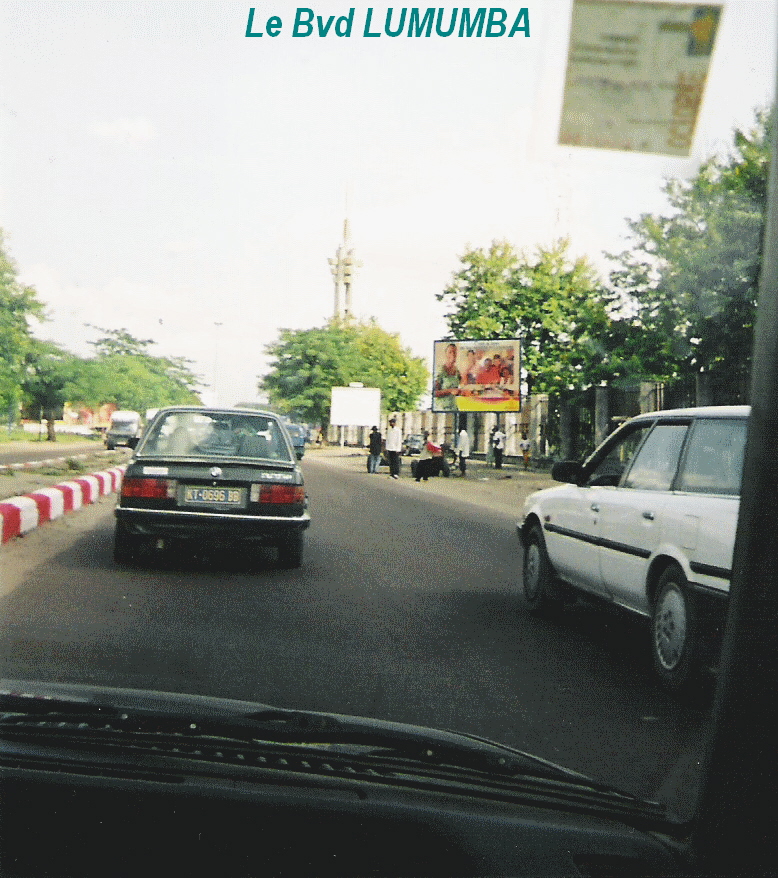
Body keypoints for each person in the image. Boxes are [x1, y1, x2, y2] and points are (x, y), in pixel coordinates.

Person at [434, 343, 460, 411]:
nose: (452, 354)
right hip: (442, 409)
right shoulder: (440, 370)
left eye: (454, 352)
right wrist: (450, 391)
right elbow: (434, 393)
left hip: (454, 408)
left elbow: (459, 387)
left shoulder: (457, 370)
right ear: (446, 354)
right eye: (450, 352)